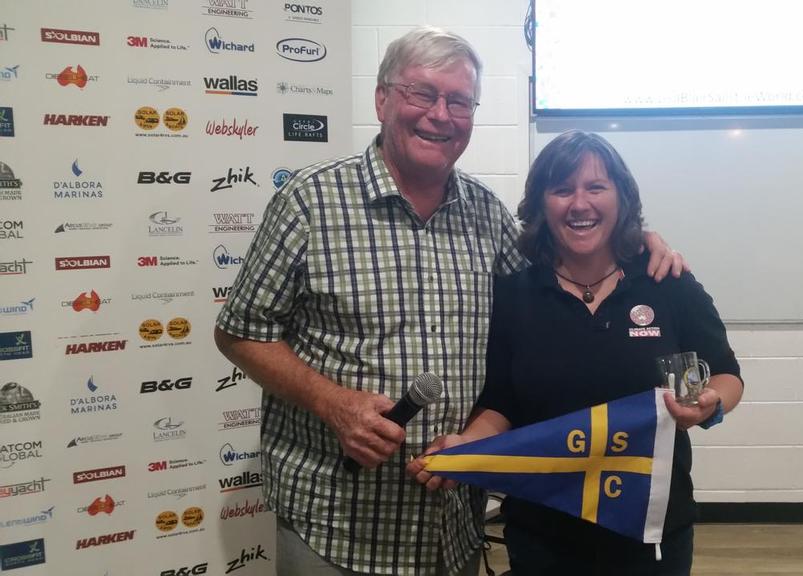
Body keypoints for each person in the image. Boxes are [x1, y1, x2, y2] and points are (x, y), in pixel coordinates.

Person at [214, 27, 685, 576]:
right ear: (383, 99)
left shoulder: (488, 216)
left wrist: (637, 242)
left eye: (459, 101)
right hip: (336, 521)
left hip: (451, 524)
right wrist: (332, 403)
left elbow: (563, 279)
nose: (441, 114)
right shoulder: (308, 202)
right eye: (422, 93)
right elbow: (239, 330)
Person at [408, 130, 743, 575]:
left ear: (622, 198)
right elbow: (502, 401)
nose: (579, 203)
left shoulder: (667, 282)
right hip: (545, 533)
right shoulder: (516, 295)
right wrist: (467, 446)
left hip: (650, 532)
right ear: (542, 206)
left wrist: (708, 403)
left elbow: (725, 373)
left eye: (596, 187)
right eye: (562, 189)